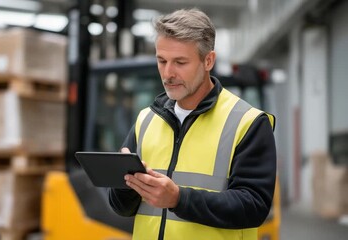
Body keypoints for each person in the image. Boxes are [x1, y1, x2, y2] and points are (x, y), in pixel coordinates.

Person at [108, 8, 276, 240]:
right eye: (161, 60)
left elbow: (254, 207)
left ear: (208, 60)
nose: (168, 73)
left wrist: (179, 199)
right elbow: (121, 208)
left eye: (180, 62)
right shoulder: (146, 119)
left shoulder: (248, 123)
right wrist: (125, 181)